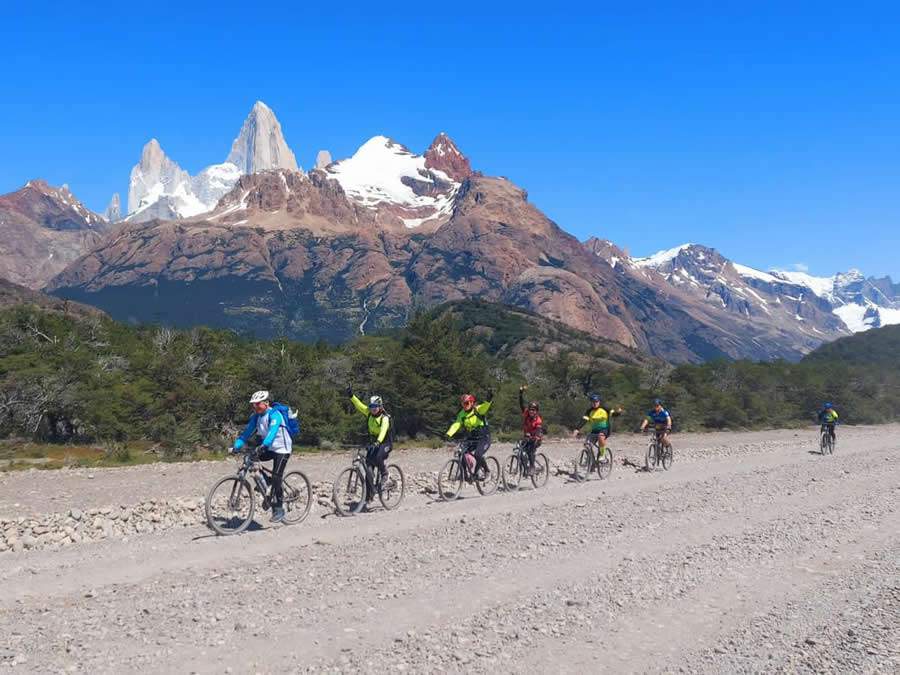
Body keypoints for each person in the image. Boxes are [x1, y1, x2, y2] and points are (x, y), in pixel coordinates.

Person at [232, 390, 292, 523]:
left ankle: (279, 509)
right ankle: (266, 481)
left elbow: (272, 432)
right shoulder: (256, 417)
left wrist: (263, 445)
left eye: (257, 404)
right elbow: (246, 434)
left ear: (266, 403)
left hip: (282, 448)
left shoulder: (275, 415)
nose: (255, 407)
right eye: (253, 405)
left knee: (277, 476)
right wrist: (236, 446)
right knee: (250, 458)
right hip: (269, 447)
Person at [347, 384, 393, 500]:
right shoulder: (369, 413)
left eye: (375, 406)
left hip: (385, 443)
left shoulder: (385, 418)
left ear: (380, 406)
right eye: (371, 406)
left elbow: (383, 431)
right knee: (368, 469)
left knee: (378, 458)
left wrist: (378, 442)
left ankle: (385, 474)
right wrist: (351, 395)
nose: (373, 408)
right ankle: (370, 495)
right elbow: (359, 405)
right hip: (374, 443)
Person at [446, 389, 494, 480]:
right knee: (461, 452)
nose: (465, 406)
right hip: (471, 438)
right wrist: (449, 433)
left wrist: (489, 398)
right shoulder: (462, 414)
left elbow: (486, 406)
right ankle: (465, 475)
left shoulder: (478, 410)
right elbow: (457, 424)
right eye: (463, 404)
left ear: (472, 403)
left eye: (467, 403)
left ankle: (487, 471)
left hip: (484, 437)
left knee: (478, 455)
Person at [573, 393, 623, 459]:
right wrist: (577, 429)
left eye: (596, 402)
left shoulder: (605, 409)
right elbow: (584, 420)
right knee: (587, 444)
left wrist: (619, 412)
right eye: (593, 402)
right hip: (594, 430)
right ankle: (590, 461)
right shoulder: (589, 411)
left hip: (605, 429)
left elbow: (614, 414)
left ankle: (602, 454)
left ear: (599, 402)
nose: (595, 403)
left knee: (600, 437)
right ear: (591, 403)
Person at [518, 385, 543, 476]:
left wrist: (534, 436)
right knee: (520, 451)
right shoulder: (526, 414)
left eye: (533, 410)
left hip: (536, 438)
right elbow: (521, 404)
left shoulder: (538, 420)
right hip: (527, 437)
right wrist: (520, 393)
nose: (531, 412)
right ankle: (524, 469)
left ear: (536, 411)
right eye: (530, 410)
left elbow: (538, 430)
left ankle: (532, 467)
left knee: (530, 451)